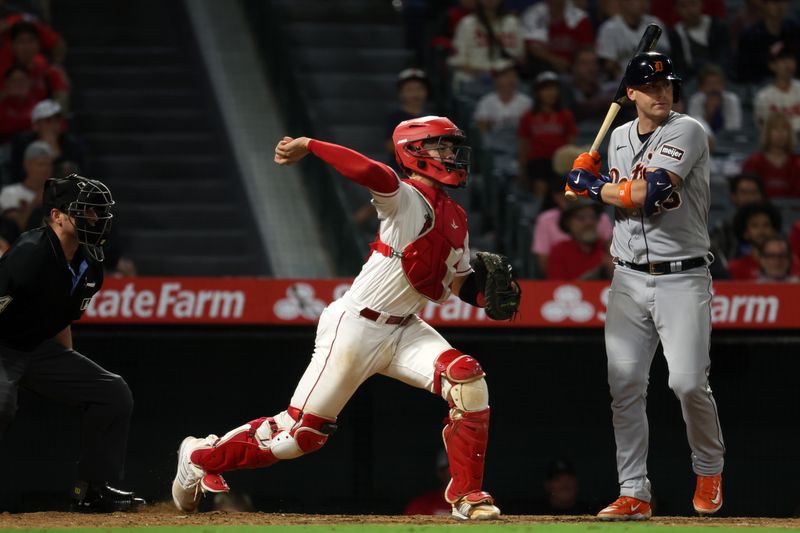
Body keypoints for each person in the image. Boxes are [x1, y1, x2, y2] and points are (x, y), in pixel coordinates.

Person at [172, 116, 518, 521]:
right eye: (440, 147)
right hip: (356, 326)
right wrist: (311, 144)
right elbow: (371, 172)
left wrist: (489, 298)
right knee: (300, 436)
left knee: (468, 379)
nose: (451, 155)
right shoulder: (404, 197)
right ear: (414, 152)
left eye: (451, 147)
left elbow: (457, 283)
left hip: (405, 328)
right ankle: (199, 456)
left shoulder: (456, 216)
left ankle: (468, 497)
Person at [565, 51, 725, 520]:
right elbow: (621, 191)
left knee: (689, 382)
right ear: (630, 94)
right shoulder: (615, 137)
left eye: (668, 86)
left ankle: (710, 466)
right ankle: (633, 491)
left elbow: (649, 193)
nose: (662, 94)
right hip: (628, 276)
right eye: (651, 87)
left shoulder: (687, 130)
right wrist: (590, 173)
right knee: (626, 385)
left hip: (683, 276)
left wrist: (590, 188)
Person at [0, 174, 143, 512]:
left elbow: (61, 320)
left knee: (112, 392)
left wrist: (69, 376)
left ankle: (92, 491)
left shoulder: (90, 263)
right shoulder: (29, 254)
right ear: (57, 216)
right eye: (85, 212)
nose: (94, 219)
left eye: (97, 212)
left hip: (36, 349)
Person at [517, 71, 576, 197]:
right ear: (537, 92)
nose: (550, 93)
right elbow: (523, 146)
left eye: (553, 88)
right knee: (541, 186)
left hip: (559, 163)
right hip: (537, 162)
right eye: (545, 89)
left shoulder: (566, 115)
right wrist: (522, 171)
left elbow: (571, 146)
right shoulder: (528, 117)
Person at [449, 0, 524, 99]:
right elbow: (458, 62)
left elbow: (521, 57)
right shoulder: (467, 23)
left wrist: (505, 76)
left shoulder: (512, 22)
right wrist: (486, 73)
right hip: (476, 80)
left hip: (509, 82)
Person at [10, 98, 86, 183]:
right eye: (48, 120)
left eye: (57, 120)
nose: (54, 125)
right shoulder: (22, 143)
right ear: (36, 125)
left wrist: (56, 151)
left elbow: (80, 175)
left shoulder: (72, 144)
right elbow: (17, 175)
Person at [595, 0, 669, 80]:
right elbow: (609, 65)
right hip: (622, 84)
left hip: (655, 80)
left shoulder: (655, 23)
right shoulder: (609, 28)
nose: (642, 3)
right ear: (624, 3)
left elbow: (664, 57)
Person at [3, 21, 68, 109]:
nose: (26, 47)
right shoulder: (4, 72)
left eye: (31, 41)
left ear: (38, 45)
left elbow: (61, 109)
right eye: (21, 42)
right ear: (12, 46)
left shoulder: (50, 73)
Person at [520, 0, 594, 75]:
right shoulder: (533, 14)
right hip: (542, 71)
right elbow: (534, 46)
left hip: (573, 71)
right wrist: (554, 60)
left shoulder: (580, 17)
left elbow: (586, 48)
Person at [708, 173, 765, 270]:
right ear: (733, 196)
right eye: (744, 193)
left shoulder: (771, 227)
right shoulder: (723, 229)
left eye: (754, 192)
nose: (750, 198)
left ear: (761, 196)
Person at [736, 0, 800, 85]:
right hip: (760, 87)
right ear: (764, 5)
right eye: (774, 2)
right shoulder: (751, 36)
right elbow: (745, 72)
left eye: (784, 2)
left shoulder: (795, 30)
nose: (780, 6)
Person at [666, 0, 732, 82]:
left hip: (720, 78)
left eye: (693, 3)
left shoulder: (718, 27)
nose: (690, 10)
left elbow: (725, 59)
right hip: (690, 82)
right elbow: (679, 67)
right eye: (683, 6)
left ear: (701, 4)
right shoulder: (675, 34)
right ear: (676, 9)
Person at [546, 199, 610, 280]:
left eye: (593, 217)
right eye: (581, 218)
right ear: (568, 223)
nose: (589, 222)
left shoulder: (608, 249)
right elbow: (556, 288)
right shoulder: (559, 251)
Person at [742, 112, 800, 199]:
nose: (780, 133)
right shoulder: (753, 162)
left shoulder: (797, 163)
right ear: (767, 133)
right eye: (776, 129)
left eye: (784, 129)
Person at [0, 139, 52, 234]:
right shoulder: (10, 193)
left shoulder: (54, 193)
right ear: (26, 165)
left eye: (49, 165)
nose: (46, 169)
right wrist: (36, 201)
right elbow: (17, 228)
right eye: (40, 164)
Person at [753, 42, 800, 142]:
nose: (788, 64)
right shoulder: (763, 97)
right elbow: (765, 131)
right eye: (783, 60)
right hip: (779, 146)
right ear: (772, 65)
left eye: (791, 59)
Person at [384, 68, 431, 160]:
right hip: (401, 171)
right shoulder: (395, 118)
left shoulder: (432, 118)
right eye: (409, 89)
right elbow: (390, 146)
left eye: (419, 88)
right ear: (401, 93)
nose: (415, 93)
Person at [727, 202, 782, 280]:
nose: (761, 231)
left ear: (774, 230)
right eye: (754, 226)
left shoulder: (788, 264)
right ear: (745, 233)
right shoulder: (735, 268)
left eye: (766, 225)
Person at [686, 64, 742, 134]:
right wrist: (709, 113)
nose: (714, 87)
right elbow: (695, 130)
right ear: (701, 87)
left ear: (723, 85)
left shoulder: (732, 100)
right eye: (709, 84)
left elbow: (733, 128)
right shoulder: (696, 100)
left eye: (717, 83)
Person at [404, 449, 452, 516]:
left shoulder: (470, 504)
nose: (456, 473)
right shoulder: (421, 505)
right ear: (440, 473)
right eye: (451, 468)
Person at [0, 64, 36, 145]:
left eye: (22, 80)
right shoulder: (1, 107)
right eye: (14, 81)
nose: (19, 84)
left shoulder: (38, 106)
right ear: (6, 84)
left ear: (29, 83)